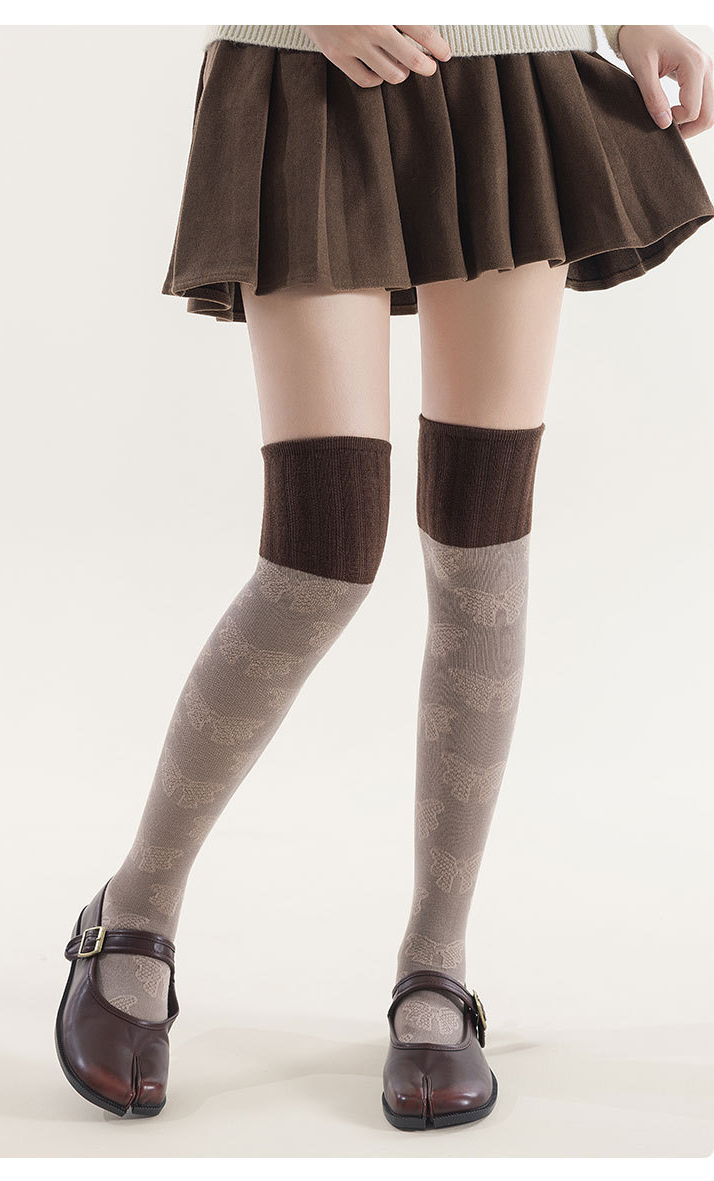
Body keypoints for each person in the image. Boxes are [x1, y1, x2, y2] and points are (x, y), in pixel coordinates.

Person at [55, 23, 714, 1128]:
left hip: (509, 69)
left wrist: (627, 17)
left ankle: (435, 962)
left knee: (481, 556)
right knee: (319, 556)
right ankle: (136, 901)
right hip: (305, 74)